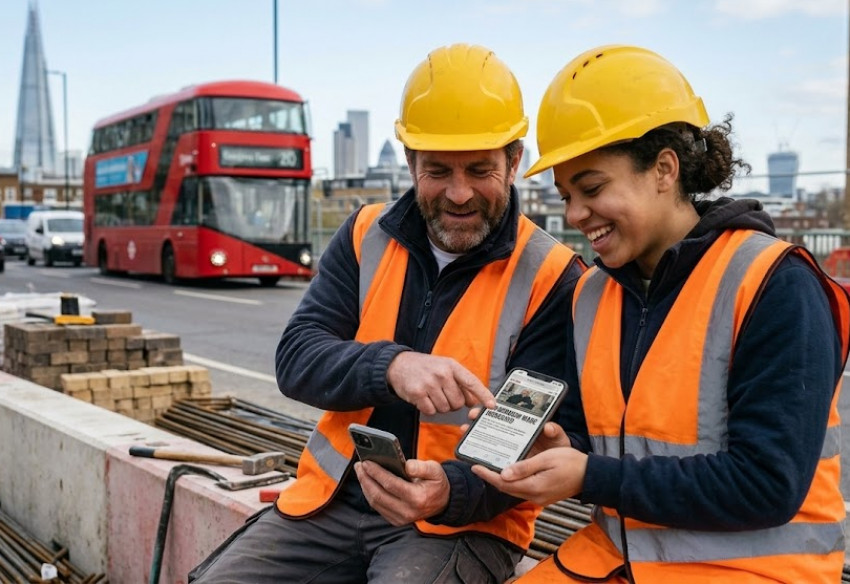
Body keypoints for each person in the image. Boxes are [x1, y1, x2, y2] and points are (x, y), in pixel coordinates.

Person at [189, 42, 585, 583]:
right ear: (409, 162)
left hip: (463, 525)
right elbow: (298, 358)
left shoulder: (553, 276)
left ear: (514, 161)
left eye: (480, 169)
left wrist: (450, 492)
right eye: (438, 170)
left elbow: (528, 435)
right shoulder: (364, 235)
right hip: (330, 501)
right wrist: (393, 367)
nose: (459, 192)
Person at [470, 44, 850, 583]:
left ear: (665, 170)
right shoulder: (592, 295)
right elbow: (603, 435)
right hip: (619, 558)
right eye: (565, 195)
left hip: (755, 571)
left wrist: (590, 475)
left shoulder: (775, 284)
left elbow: (768, 485)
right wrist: (564, 445)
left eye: (592, 188)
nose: (575, 215)